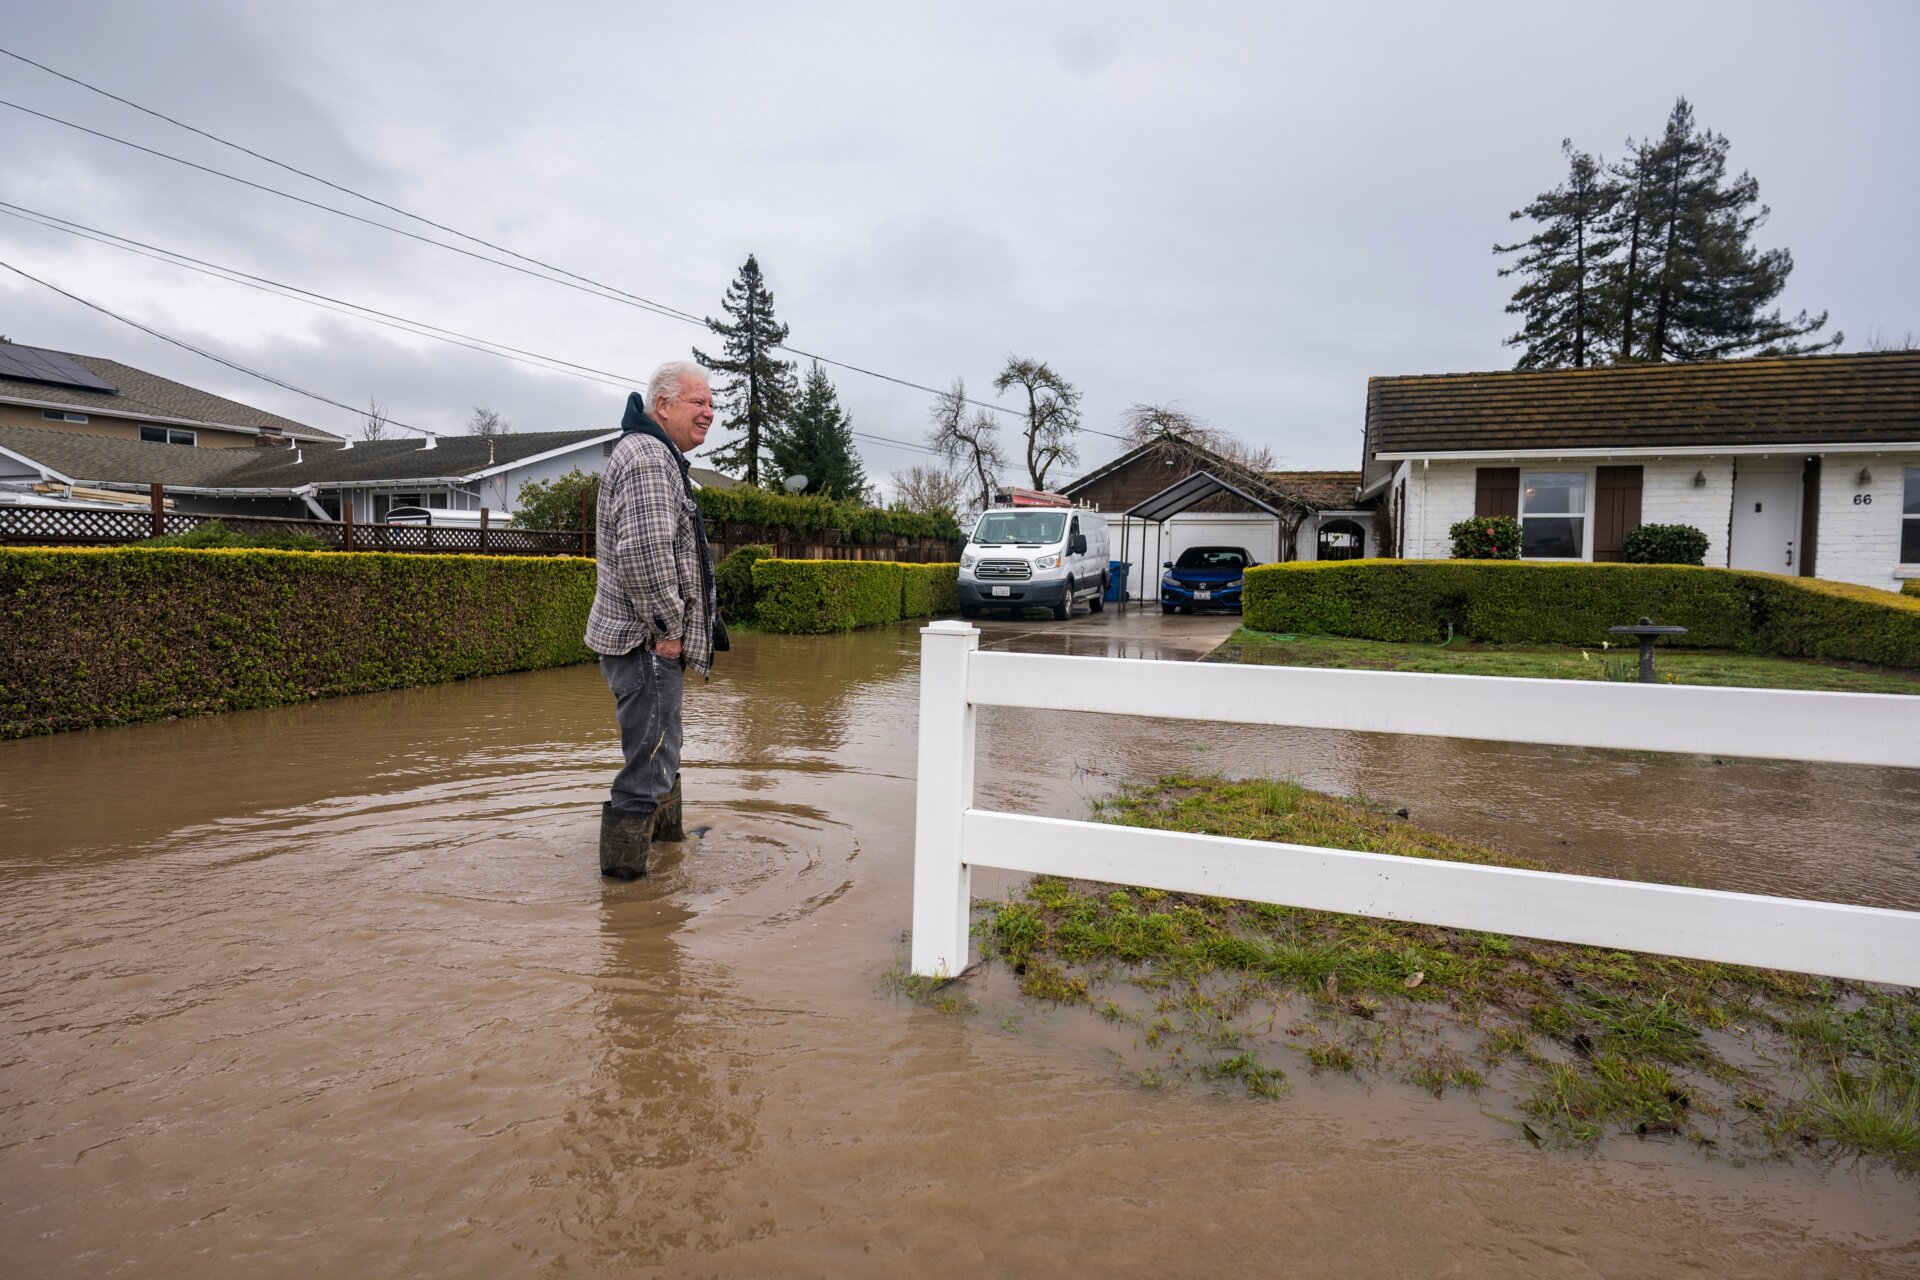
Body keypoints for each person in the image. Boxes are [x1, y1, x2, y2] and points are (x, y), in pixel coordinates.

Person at [585, 360, 724, 879]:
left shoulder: (655, 453)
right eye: (698, 402)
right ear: (662, 406)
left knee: (662, 752)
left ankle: (669, 851)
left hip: (649, 644)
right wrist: (669, 630)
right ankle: (628, 906)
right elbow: (645, 557)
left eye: (712, 403)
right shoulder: (647, 458)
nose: (709, 412)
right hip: (648, 644)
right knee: (647, 765)